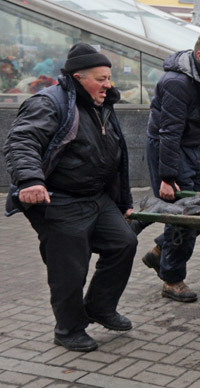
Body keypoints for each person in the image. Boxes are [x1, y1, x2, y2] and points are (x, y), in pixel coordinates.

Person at [3, 42, 137, 352]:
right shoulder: (50, 103)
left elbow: (118, 157)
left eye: (109, 77)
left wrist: (123, 202)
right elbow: (21, 141)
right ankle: (68, 329)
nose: (109, 84)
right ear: (78, 77)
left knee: (124, 243)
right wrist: (31, 180)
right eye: (101, 78)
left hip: (96, 196)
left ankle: (100, 307)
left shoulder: (101, 104)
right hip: (58, 198)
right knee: (69, 269)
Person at [142, 34, 200, 303]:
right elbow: (169, 132)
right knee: (185, 216)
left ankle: (159, 251)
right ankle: (172, 280)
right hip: (171, 149)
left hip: (194, 146)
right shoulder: (177, 83)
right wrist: (168, 177)